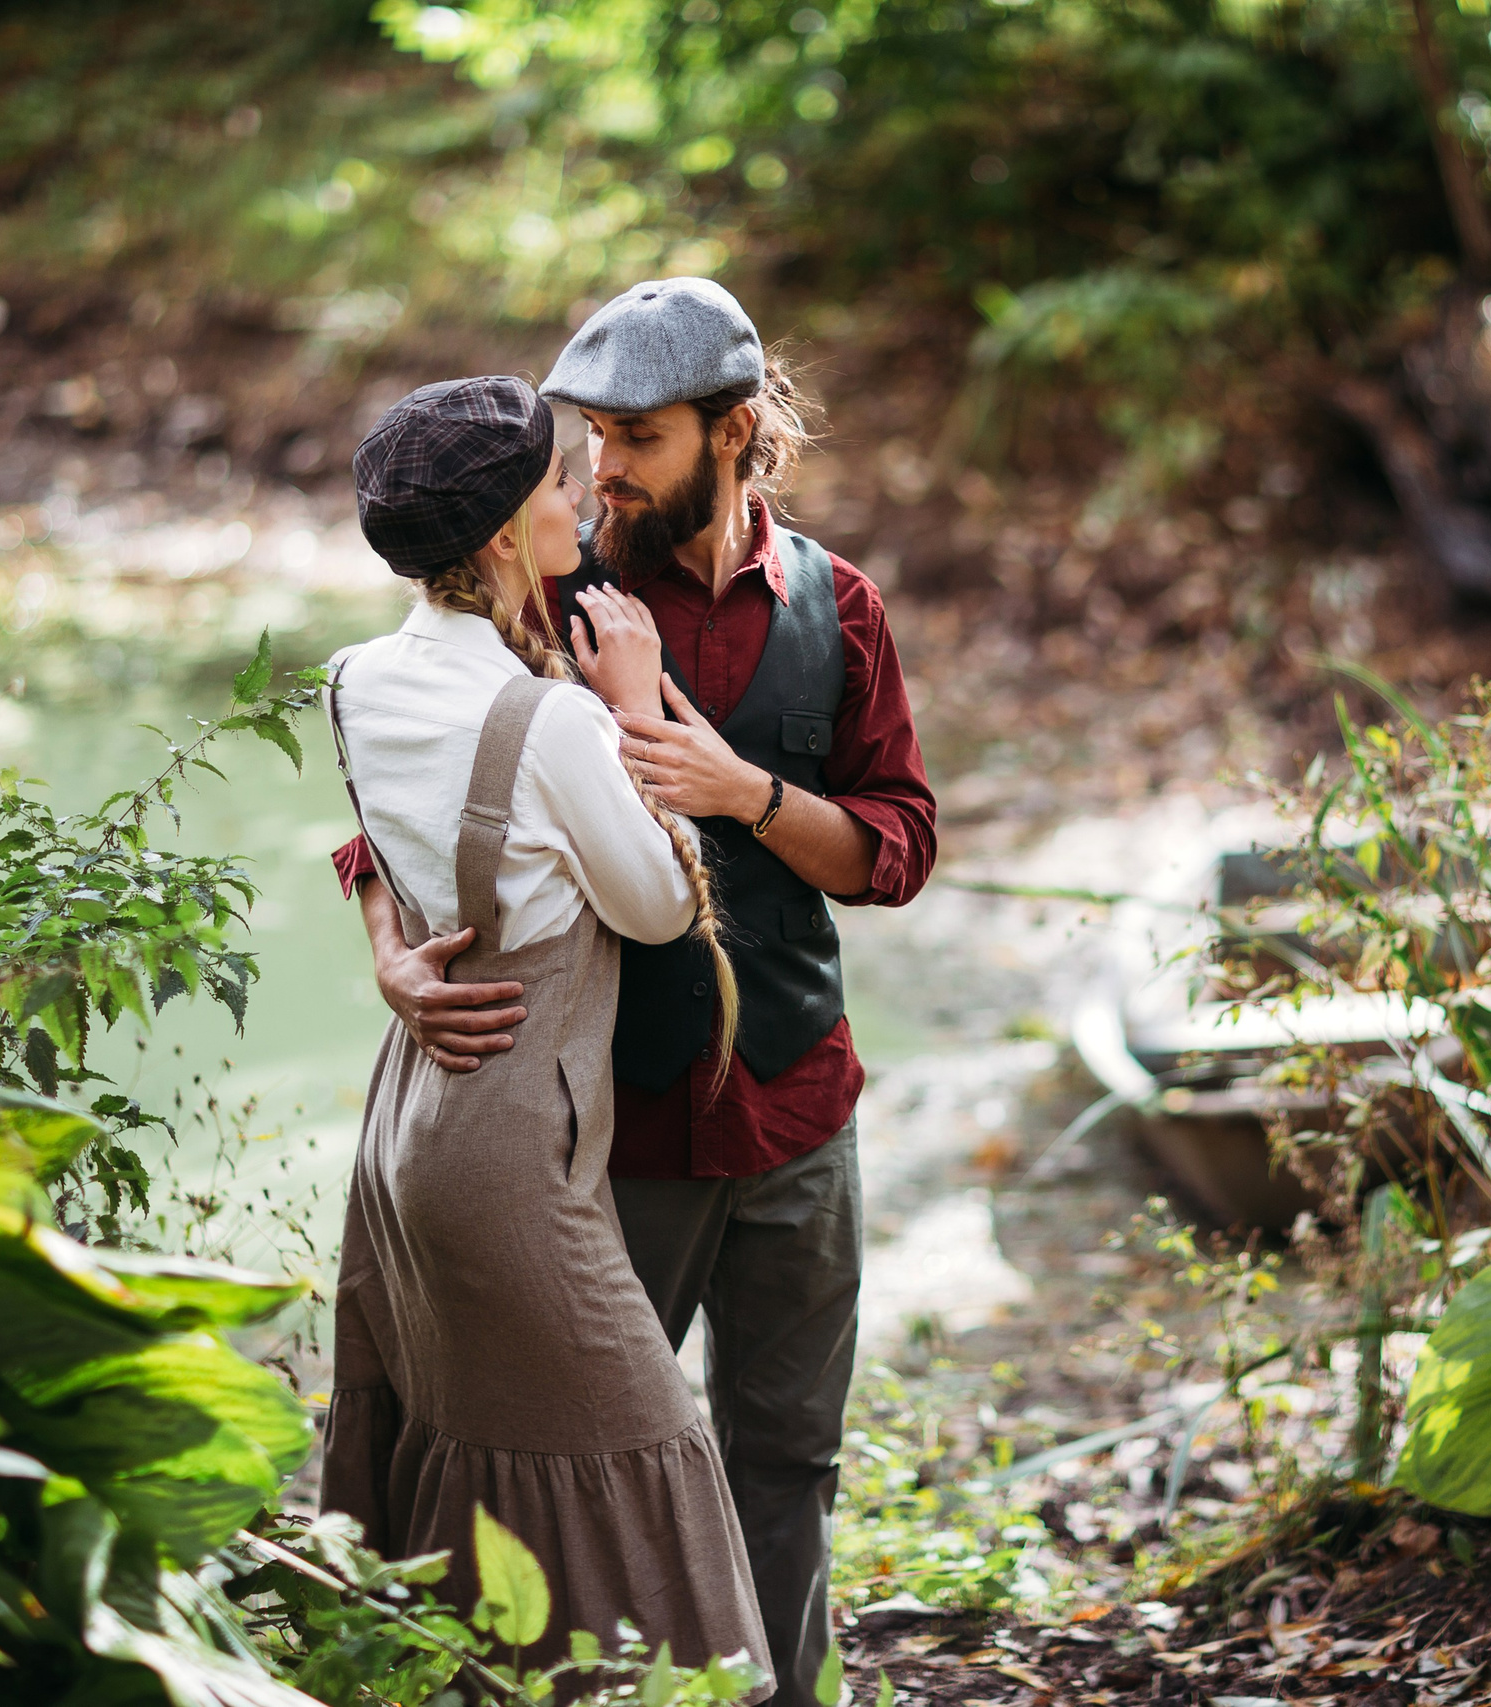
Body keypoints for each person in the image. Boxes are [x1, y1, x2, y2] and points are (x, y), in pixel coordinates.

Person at [334, 279, 937, 1707]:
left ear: (737, 433)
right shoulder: (537, 584)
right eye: (589, 438)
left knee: (785, 1463)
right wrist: (384, 941)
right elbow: (400, 793)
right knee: (557, 1460)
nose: (602, 470)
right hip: (602, 1139)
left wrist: (742, 790)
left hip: (799, 1112)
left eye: (640, 438)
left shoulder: (838, 606)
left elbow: (896, 850)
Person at [319, 373, 769, 1689]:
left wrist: (391, 954)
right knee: (643, 1448)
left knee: (473, 1446)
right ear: (512, 532)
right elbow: (650, 907)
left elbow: (393, 856)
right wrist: (634, 702)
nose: (585, 488)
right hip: (513, 1144)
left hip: (407, 1123)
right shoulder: (555, 716)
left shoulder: (351, 681)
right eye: (556, 482)